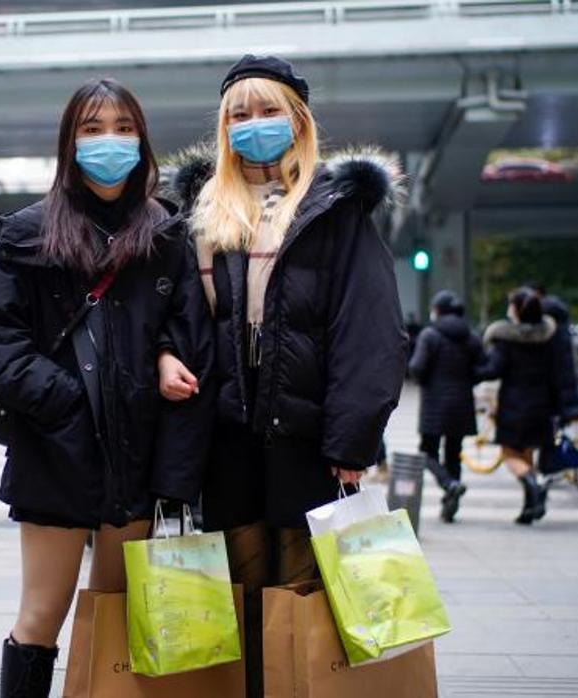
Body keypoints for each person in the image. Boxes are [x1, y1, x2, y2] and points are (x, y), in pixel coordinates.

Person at [0, 78, 213, 698]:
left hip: (137, 453)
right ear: (69, 142)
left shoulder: (167, 234)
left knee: (114, 611)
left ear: (142, 140)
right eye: (93, 128)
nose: (110, 141)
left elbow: (187, 330)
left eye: (124, 128)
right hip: (56, 449)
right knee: (41, 616)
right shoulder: (26, 233)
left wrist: (163, 356)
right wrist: (65, 401)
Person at [172, 55, 407, 696]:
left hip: (308, 443)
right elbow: (172, 318)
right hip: (224, 439)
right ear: (223, 127)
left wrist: (352, 441)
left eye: (269, 110)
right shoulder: (197, 214)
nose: (255, 125)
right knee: (237, 596)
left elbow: (371, 333)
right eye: (239, 114)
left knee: (302, 595)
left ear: (299, 120)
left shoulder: (334, 209)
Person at [476, 287, 561, 525]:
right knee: (527, 455)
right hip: (542, 405)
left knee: (509, 454)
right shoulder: (548, 338)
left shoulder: (507, 340)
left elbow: (493, 370)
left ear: (516, 311)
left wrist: (471, 371)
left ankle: (534, 484)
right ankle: (529, 507)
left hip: (514, 405)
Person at [408, 290, 483, 523]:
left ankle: (449, 484)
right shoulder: (470, 336)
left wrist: (422, 380)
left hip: (435, 404)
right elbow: (483, 368)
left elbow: (417, 367)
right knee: (453, 453)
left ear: (437, 311)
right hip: (462, 403)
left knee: (427, 452)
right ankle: (451, 503)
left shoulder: (430, 335)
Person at [525, 282, 578, 475]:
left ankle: (551, 466)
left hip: (553, 385)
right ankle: (547, 466)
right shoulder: (558, 320)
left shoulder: (547, 322)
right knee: (552, 428)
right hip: (562, 383)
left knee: (548, 430)